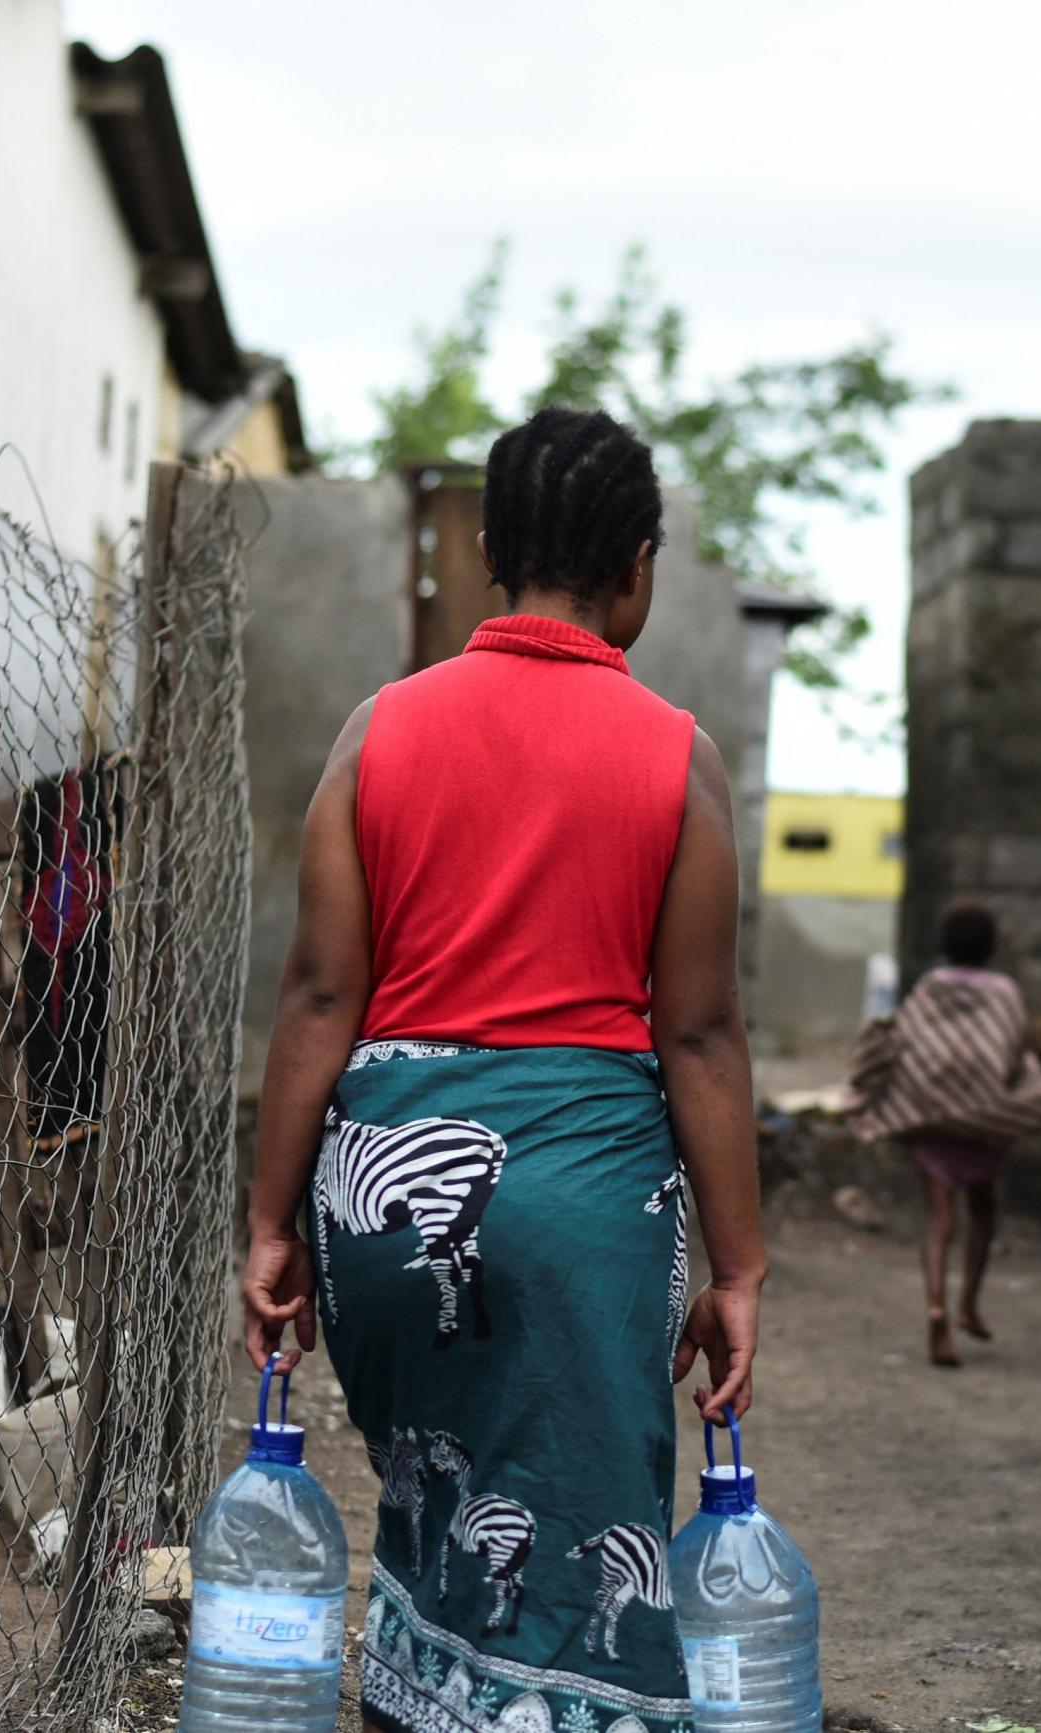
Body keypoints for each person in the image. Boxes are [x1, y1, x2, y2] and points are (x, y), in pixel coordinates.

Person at [240, 406, 766, 1733]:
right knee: (576, 1556)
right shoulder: (676, 757)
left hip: (378, 1202)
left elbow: (317, 995)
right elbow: (698, 1033)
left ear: (491, 548)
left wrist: (270, 1218)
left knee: (433, 1521)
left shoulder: (376, 733)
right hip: (580, 1211)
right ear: (636, 568)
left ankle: (421, 1705)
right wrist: (741, 1267)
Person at [848, 899, 1041, 1368]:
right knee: (983, 1212)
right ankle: (969, 1305)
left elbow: (904, 1043)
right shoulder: (1004, 993)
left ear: (945, 944)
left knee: (940, 1220)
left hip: (931, 1118)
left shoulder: (930, 988)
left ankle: (936, 1309)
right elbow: (1017, 1053)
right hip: (983, 1122)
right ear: (991, 945)